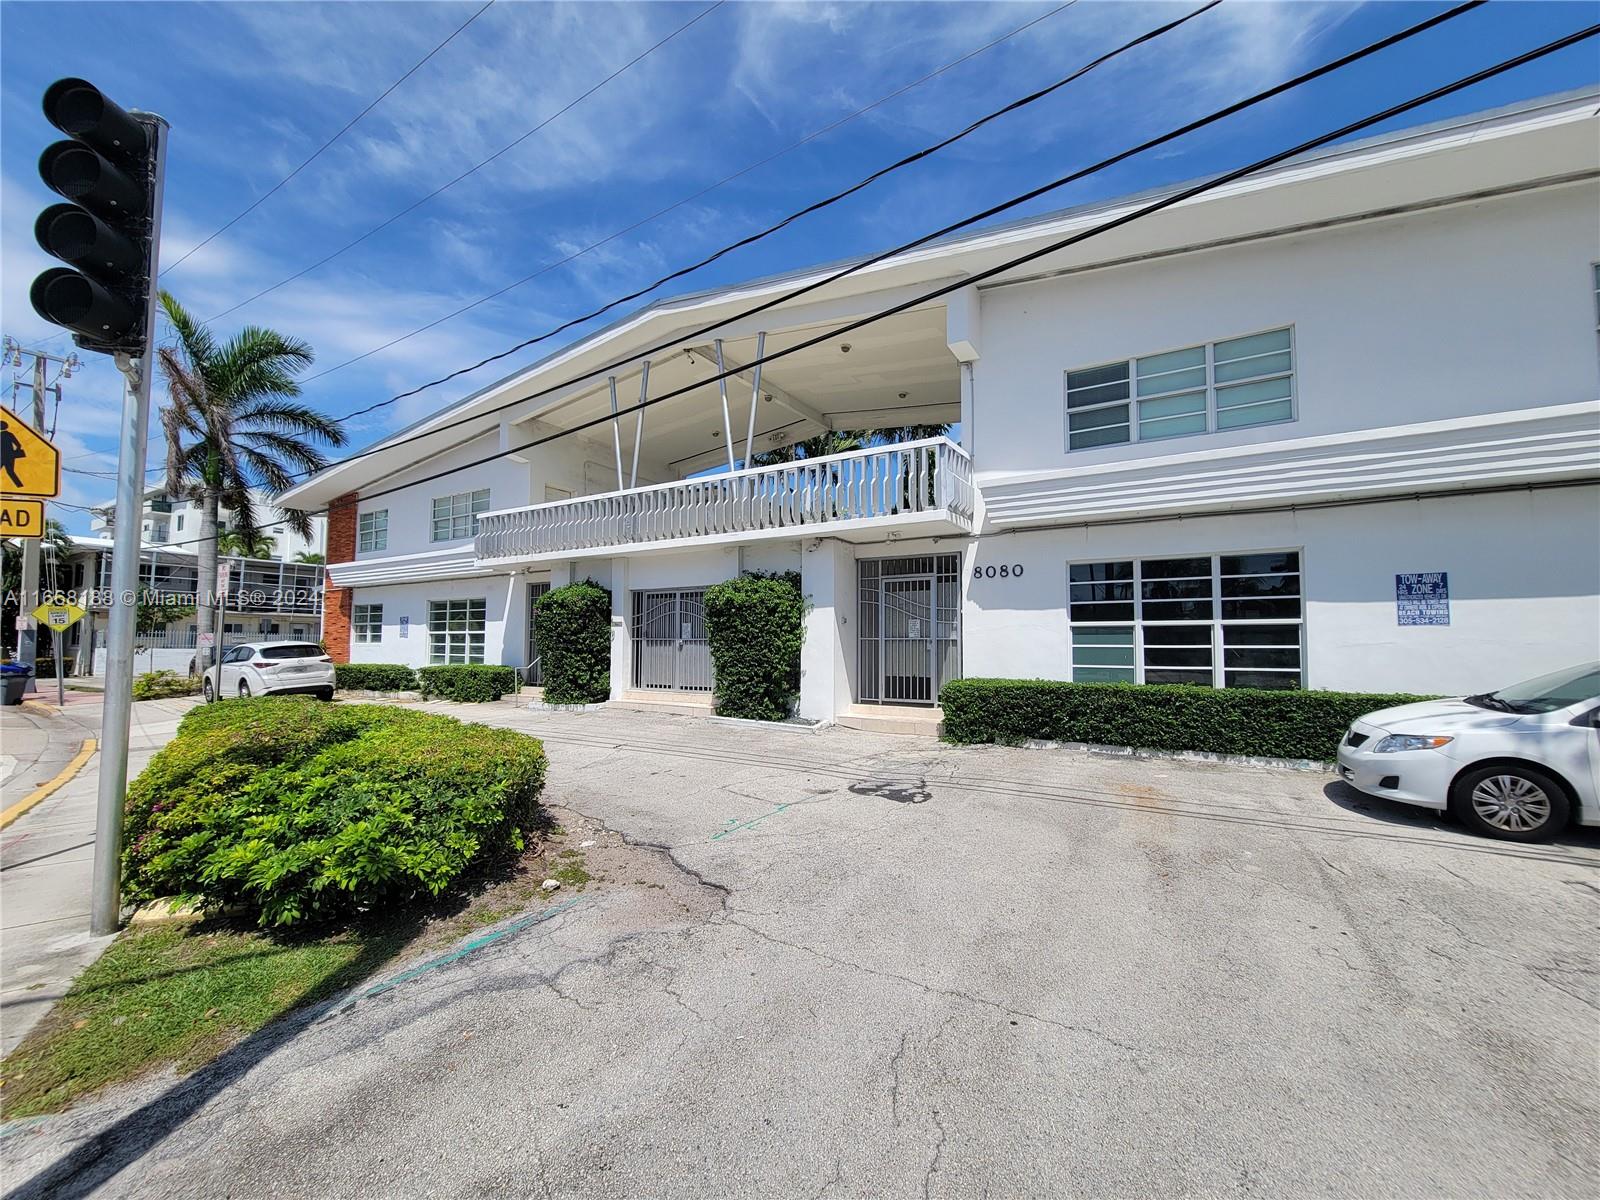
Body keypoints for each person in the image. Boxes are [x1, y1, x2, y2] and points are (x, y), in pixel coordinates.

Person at [1, 420, 26, 489]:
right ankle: (20, 486)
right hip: (10, 457)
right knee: (10, 472)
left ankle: (20, 487)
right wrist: (14, 453)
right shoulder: (10, 434)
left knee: (10, 472)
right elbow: (18, 445)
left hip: (1, 457)